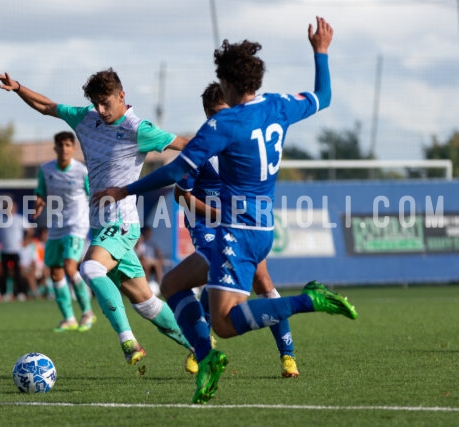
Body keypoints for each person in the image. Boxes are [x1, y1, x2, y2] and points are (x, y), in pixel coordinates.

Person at [95, 17, 357, 403]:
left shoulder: (223, 124)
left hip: (237, 230)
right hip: (258, 227)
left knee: (225, 322)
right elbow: (324, 95)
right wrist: (321, 52)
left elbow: (175, 170)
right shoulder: (280, 105)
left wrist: (126, 189)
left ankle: (307, 300)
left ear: (228, 84)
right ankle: (207, 358)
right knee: (170, 285)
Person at [0, 67, 196, 369]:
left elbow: (189, 146)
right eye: (96, 104)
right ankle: (200, 346)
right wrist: (19, 87)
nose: (101, 110)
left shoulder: (139, 129)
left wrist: (212, 165)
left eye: (106, 103)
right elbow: (48, 107)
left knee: (89, 268)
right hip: (101, 224)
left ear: (121, 95)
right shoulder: (87, 118)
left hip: (122, 223)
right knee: (144, 301)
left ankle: (128, 341)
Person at [171, 81, 299, 378]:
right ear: (207, 115)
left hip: (243, 224)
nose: (221, 119)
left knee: (263, 281)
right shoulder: (201, 147)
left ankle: (288, 355)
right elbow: (181, 196)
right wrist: (219, 213)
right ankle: (201, 346)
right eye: (214, 114)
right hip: (206, 225)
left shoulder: (245, 140)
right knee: (214, 275)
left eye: (224, 111)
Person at [34, 131, 95, 332]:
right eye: (61, 145)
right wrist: (39, 204)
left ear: (73, 148)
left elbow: (92, 196)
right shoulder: (46, 169)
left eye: (68, 145)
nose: (64, 149)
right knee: (55, 272)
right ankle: (69, 318)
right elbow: (41, 193)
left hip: (76, 225)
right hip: (56, 226)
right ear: (55, 148)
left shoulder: (82, 171)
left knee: (70, 267)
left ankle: (87, 312)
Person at [0, 199, 26, 302]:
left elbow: (30, 230)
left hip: (16, 250)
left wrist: (25, 241)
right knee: (4, 273)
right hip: (5, 250)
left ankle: (20, 292)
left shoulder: (19, 219)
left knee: (17, 273)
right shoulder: (1, 220)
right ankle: (5, 293)